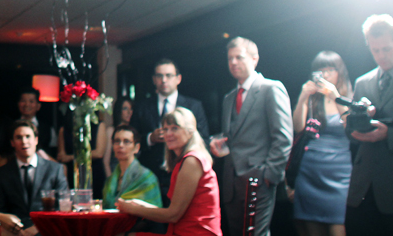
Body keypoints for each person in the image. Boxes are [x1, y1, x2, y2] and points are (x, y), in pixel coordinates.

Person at [209, 37, 293, 236]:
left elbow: (283, 137)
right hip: (231, 183)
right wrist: (218, 143)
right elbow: (233, 136)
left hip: (259, 180)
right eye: (230, 59)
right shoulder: (229, 98)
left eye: (239, 57)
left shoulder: (270, 88)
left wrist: (269, 176)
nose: (234, 62)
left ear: (255, 59)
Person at [117, 108, 221, 236]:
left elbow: (173, 215)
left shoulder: (192, 161)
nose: (168, 134)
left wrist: (133, 209)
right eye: (165, 129)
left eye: (175, 128)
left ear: (190, 131)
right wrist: (139, 205)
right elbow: (174, 212)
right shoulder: (187, 160)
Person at [290, 51, 352, 236]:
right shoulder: (313, 98)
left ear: (340, 71)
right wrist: (303, 97)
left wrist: (336, 97)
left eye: (330, 70)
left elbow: (351, 128)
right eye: (320, 71)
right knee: (311, 228)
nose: (325, 75)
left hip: (339, 171)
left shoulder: (349, 95)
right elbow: (298, 127)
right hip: (311, 169)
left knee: (338, 226)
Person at [133, 59, 209, 204]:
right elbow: (132, 139)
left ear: (178, 78)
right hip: (150, 175)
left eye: (168, 75)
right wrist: (150, 138)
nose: (164, 80)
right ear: (154, 79)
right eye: (159, 76)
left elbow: (203, 139)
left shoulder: (194, 106)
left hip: (184, 172)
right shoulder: (142, 106)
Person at [345, 14, 393, 233]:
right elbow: (349, 131)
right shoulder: (362, 82)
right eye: (375, 50)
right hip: (364, 183)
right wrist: (355, 126)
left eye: (387, 48)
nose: (381, 55)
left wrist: (388, 134)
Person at [0, 121, 69, 236]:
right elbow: (1, 209)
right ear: (12, 143)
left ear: (36, 140)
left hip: (47, 227)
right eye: (19, 138)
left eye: (28, 136)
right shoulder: (2, 173)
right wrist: (17, 230)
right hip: (14, 230)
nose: (24, 141)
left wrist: (38, 228)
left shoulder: (55, 169)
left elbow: (63, 205)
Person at [102, 124, 161, 210]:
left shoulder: (147, 178)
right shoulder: (110, 181)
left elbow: (155, 213)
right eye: (117, 141)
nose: (120, 145)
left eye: (126, 141)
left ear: (136, 148)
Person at [55, 109, 109, 191]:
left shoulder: (98, 125)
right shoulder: (64, 129)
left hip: (94, 172)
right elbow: (62, 157)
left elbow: (99, 153)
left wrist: (71, 157)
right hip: (72, 173)